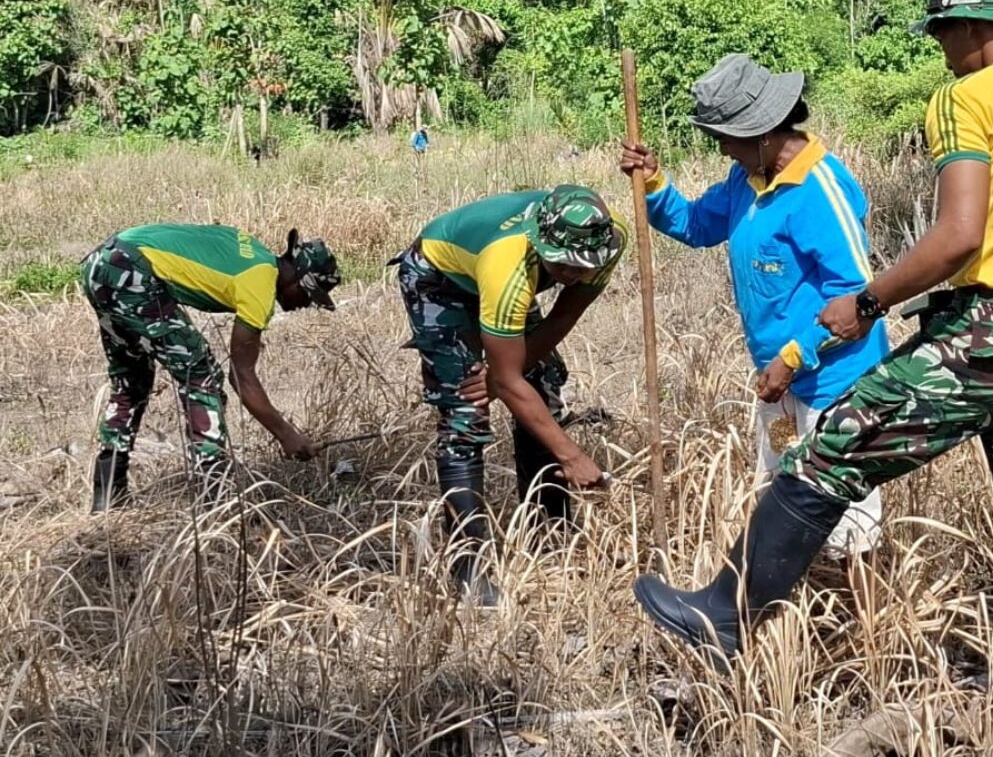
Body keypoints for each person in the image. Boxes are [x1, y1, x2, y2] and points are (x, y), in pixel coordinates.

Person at [633, 0, 993, 659]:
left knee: (831, 450)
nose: (943, 52)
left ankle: (726, 615)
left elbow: (959, 236)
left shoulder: (968, 96)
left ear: (970, 26)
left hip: (992, 335)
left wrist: (868, 302)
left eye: (942, 35)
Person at [620, 53, 889, 559]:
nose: (723, 148)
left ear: (763, 133)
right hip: (778, 382)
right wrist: (653, 182)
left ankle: (861, 602)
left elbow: (859, 300)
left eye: (727, 138)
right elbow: (696, 225)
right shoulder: (744, 180)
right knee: (783, 494)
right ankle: (791, 598)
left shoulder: (819, 190)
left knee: (846, 518)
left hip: (835, 383)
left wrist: (793, 357)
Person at [393, 185, 626, 604]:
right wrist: (570, 454)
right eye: (561, 263)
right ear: (540, 242)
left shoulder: (608, 240)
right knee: (465, 411)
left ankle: (550, 531)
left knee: (542, 384)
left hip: (501, 278)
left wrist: (507, 374)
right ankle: (468, 569)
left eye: (581, 266)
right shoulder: (509, 262)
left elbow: (564, 314)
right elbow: (505, 381)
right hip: (440, 279)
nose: (571, 273)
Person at [82, 224, 342, 511]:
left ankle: (108, 497)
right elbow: (241, 376)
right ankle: (214, 494)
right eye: (309, 296)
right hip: (133, 272)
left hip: (102, 263)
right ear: (299, 280)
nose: (305, 305)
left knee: (132, 381)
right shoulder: (260, 283)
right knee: (201, 374)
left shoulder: (254, 251)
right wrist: (287, 435)